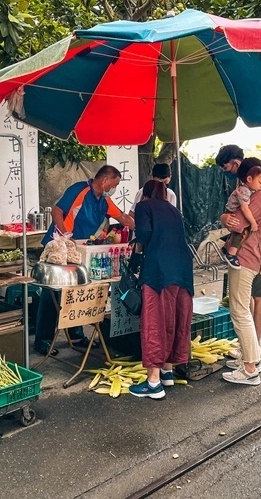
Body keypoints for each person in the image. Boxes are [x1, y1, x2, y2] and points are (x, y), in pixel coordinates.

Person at [34, 165, 136, 356]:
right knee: (53, 293)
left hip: (79, 251)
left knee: (79, 290)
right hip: (59, 247)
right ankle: (43, 340)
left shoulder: (104, 201)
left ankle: (76, 335)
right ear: (105, 180)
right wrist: (65, 235)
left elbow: (121, 217)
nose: (114, 188)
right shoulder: (79, 190)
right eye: (114, 184)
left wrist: (141, 225)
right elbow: (56, 211)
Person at [128, 180, 194, 400]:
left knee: (154, 321)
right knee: (173, 318)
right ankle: (167, 371)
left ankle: (153, 382)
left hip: (158, 270)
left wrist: (136, 247)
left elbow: (144, 234)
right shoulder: (174, 210)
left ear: (144, 195)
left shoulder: (143, 207)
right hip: (183, 269)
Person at [219, 173, 261, 386]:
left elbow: (237, 224)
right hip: (254, 257)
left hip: (245, 259)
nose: (259, 185)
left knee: (240, 311)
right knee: (243, 309)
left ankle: (250, 367)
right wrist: (226, 218)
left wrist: (225, 218)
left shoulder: (259, 197)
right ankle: (250, 360)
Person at [220, 166, 261, 269]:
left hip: (234, 210)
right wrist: (253, 222)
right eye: (260, 183)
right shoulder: (244, 191)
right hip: (233, 211)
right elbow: (244, 209)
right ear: (249, 179)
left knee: (239, 230)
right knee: (240, 231)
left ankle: (226, 248)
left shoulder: (250, 190)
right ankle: (231, 254)